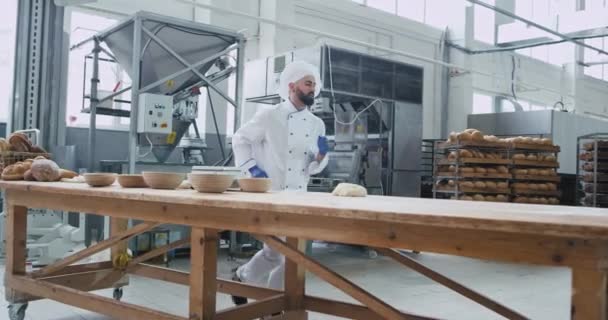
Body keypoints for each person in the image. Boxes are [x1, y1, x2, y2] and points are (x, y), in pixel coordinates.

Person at [230, 61, 329, 304]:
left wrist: (320, 157)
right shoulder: (269, 115)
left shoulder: (317, 124)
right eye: (308, 84)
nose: (312, 89)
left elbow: (313, 166)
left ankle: (246, 280)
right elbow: (240, 139)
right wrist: (252, 168)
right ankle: (269, 301)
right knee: (284, 256)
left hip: (299, 197)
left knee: (283, 254)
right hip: (271, 195)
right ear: (292, 86)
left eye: (314, 85)